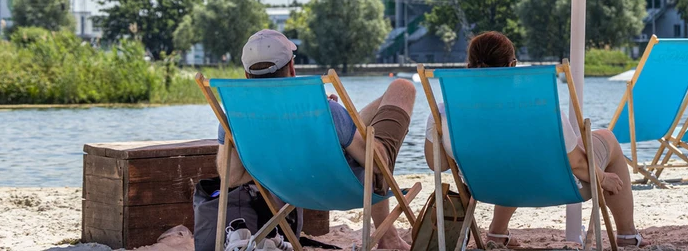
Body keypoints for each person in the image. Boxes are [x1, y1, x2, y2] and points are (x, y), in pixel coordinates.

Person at [424, 31, 646, 248]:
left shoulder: (444, 114)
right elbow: (577, 164)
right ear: (512, 66)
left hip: (486, 188)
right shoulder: (540, 107)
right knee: (606, 137)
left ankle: (498, 232)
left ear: (469, 67)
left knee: (504, 156)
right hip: (557, 188)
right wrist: (603, 178)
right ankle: (627, 235)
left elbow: (438, 164)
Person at [216, 30, 416, 250]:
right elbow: (377, 165)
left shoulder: (234, 118)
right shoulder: (324, 109)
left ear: (246, 75)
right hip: (344, 188)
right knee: (401, 88)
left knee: (342, 125)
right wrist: (329, 114)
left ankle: (388, 237)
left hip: (289, 191)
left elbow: (231, 176)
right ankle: (387, 237)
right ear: (292, 68)